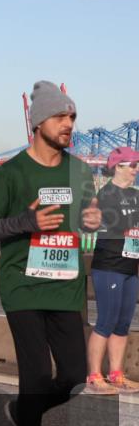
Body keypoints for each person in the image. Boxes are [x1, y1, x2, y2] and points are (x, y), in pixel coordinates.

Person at [0, 80, 100, 426]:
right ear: (38, 121)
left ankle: (24, 411)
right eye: (61, 116)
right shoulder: (11, 173)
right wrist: (24, 222)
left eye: (72, 117)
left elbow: (86, 219)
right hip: (23, 285)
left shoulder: (80, 171)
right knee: (37, 374)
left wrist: (92, 222)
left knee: (75, 377)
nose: (69, 124)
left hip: (65, 287)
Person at [85, 146, 139, 393]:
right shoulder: (106, 194)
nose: (137, 170)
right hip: (109, 266)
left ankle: (116, 373)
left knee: (123, 323)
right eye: (134, 165)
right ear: (119, 166)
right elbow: (124, 224)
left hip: (130, 267)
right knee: (106, 321)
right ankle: (94, 375)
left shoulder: (135, 195)